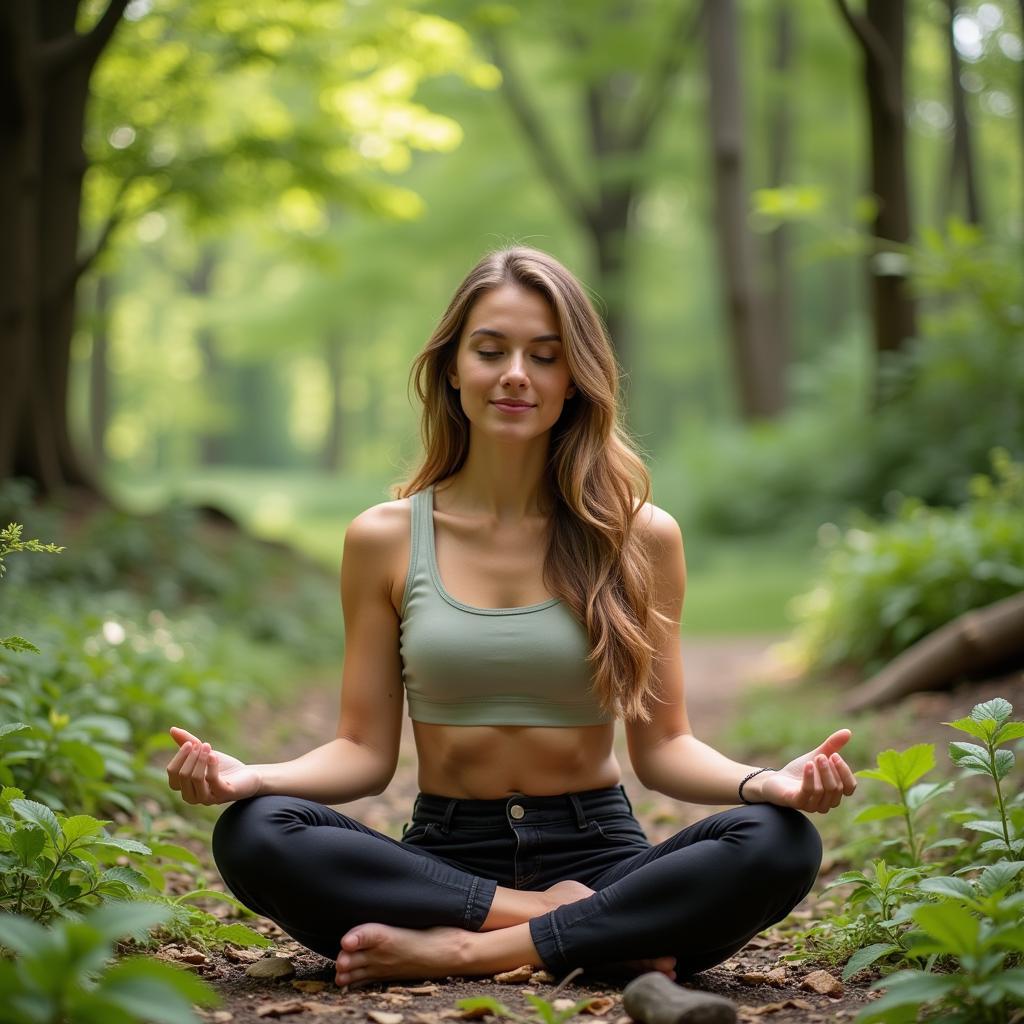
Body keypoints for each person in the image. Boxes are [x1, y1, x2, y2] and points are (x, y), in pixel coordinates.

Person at [166, 246, 856, 993]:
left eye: (545, 355)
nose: (516, 373)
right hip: (444, 856)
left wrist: (766, 785)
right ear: (453, 369)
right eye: (490, 350)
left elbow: (665, 750)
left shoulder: (641, 536)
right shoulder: (385, 538)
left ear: (574, 380)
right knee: (256, 831)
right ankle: (581, 932)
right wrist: (253, 776)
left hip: (600, 850)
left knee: (779, 843)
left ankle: (464, 950)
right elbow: (362, 752)